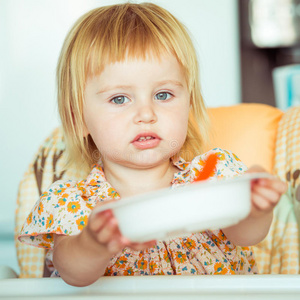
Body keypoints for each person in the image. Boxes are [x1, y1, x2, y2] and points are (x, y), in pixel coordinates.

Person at [18, 2, 287, 287]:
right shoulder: (75, 202)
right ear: (79, 119)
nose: (146, 114)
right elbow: (72, 271)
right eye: (119, 99)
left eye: (163, 95)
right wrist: (93, 243)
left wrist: (253, 208)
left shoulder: (211, 176)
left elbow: (246, 235)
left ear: (190, 105)